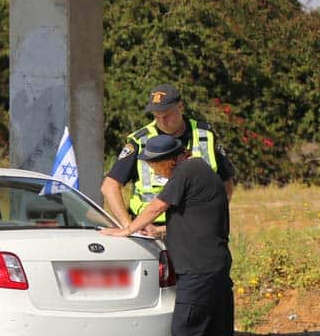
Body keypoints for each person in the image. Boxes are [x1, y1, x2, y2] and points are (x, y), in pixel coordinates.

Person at [100, 134, 235, 336]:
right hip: (215, 266)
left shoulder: (186, 170)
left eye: (154, 164)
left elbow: (157, 206)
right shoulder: (200, 171)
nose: (152, 169)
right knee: (217, 335)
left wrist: (127, 229)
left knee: (185, 334)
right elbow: (195, 219)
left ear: (171, 159)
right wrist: (160, 232)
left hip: (197, 271)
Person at [100, 83, 235, 235]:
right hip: (150, 231)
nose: (162, 121)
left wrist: (215, 215)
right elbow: (109, 186)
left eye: (167, 115)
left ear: (180, 107)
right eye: (157, 116)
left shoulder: (205, 135)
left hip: (197, 228)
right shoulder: (140, 141)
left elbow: (226, 183)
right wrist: (129, 226)